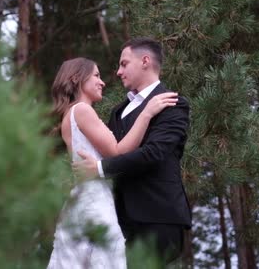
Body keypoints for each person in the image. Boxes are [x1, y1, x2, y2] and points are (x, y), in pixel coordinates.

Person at [47, 57, 178, 269]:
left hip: (84, 198)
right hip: (95, 200)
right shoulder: (82, 110)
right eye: (96, 75)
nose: (103, 82)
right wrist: (146, 113)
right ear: (76, 78)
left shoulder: (70, 114)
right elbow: (117, 152)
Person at [75, 37, 192, 264]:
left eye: (124, 64)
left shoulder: (173, 103)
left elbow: (153, 153)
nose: (118, 72)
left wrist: (99, 169)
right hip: (119, 220)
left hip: (157, 217)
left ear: (145, 61)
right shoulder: (119, 111)